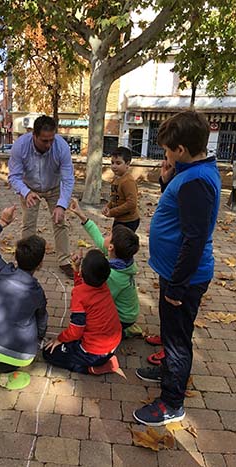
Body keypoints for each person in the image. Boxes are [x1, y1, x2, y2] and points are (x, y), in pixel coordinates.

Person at [133, 111, 221, 426]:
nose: (166, 155)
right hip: (175, 272)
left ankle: (172, 402)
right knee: (172, 332)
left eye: (169, 150)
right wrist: (166, 178)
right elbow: (177, 211)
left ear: (181, 149)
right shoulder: (192, 171)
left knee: (177, 338)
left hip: (184, 276)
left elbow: (195, 238)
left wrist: (179, 285)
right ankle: (170, 370)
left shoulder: (197, 181)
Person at [0, 206, 48, 390]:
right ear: (40, 264)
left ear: (15, 256)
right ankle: (1, 376)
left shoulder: (0, 270)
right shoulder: (37, 292)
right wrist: (39, 338)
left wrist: (3, 222)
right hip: (12, 360)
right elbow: (42, 323)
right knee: (34, 321)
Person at [8, 115, 75, 278]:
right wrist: (26, 192)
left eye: (51, 139)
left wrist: (62, 205)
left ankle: (64, 261)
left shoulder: (61, 147)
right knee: (28, 224)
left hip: (54, 187)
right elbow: (14, 177)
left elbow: (68, 178)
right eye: (44, 141)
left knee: (60, 223)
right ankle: (27, 262)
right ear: (34, 136)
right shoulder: (20, 146)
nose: (49, 144)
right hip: (29, 188)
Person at [43, 249, 122, 375]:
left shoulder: (79, 294)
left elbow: (76, 331)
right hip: (113, 344)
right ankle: (104, 359)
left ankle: (93, 368)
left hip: (94, 352)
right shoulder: (103, 284)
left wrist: (59, 339)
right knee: (70, 343)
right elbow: (84, 287)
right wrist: (76, 269)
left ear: (83, 273)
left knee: (49, 353)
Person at [69, 198, 140, 337]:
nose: (105, 234)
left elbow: (99, 299)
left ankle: (121, 331)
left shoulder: (114, 276)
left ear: (111, 247)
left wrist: (78, 272)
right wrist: (80, 214)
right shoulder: (121, 259)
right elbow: (96, 236)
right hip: (128, 312)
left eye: (109, 234)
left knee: (92, 319)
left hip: (124, 318)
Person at [102, 146, 140, 232]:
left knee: (122, 244)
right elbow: (115, 198)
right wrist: (108, 207)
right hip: (119, 219)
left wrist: (112, 212)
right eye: (112, 163)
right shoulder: (117, 179)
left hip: (129, 221)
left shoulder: (128, 181)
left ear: (127, 164)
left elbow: (131, 203)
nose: (114, 166)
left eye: (118, 163)